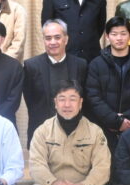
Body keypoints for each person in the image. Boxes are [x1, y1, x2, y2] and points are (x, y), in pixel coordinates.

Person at [85, 16, 130, 152]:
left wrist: (127, 119)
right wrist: (115, 121)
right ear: (107, 36)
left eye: (123, 33)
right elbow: (93, 97)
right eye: (114, 34)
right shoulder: (96, 64)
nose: (119, 38)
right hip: (103, 129)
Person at [23, 19, 88, 147]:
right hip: (41, 132)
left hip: (74, 132)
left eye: (57, 37)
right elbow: (30, 101)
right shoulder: (31, 66)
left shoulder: (80, 65)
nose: (53, 42)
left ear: (66, 39)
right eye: (48, 38)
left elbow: (84, 99)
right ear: (43, 40)